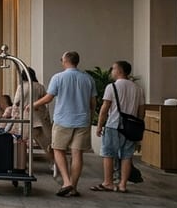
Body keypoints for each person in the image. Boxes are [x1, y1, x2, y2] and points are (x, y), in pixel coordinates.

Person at [34, 51, 96, 197]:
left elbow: (49, 98)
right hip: (82, 120)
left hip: (63, 120)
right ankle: (73, 187)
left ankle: (67, 182)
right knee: (77, 153)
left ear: (65, 60)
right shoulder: (88, 79)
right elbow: (93, 102)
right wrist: (90, 118)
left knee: (58, 149)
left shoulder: (58, 77)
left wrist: (34, 104)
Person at [93, 60, 144, 193]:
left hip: (114, 125)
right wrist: (137, 125)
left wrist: (99, 125)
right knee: (127, 156)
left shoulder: (112, 87)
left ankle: (108, 182)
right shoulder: (138, 89)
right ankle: (122, 184)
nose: (111, 71)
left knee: (108, 154)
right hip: (131, 128)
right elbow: (141, 111)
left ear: (120, 71)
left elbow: (105, 108)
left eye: (113, 68)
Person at [14, 68, 51, 162]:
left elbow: (16, 103)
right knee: (45, 143)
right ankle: (54, 162)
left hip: (25, 118)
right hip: (39, 118)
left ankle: (21, 163)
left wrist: (14, 116)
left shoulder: (21, 87)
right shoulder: (40, 86)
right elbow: (45, 100)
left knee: (22, 142)